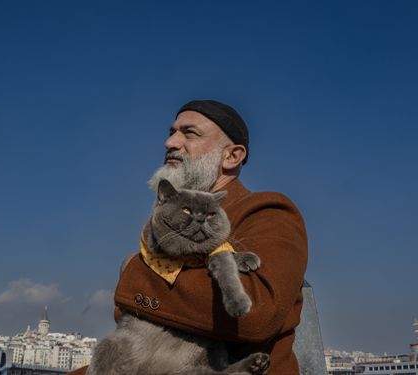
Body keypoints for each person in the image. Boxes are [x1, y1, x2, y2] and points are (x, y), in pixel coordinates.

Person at [69, 100, 308, 375]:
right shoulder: (167, 223)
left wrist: (135, 271)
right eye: (172, 132)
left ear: (232, 156)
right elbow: (135, 329)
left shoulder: (268, 210)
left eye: (189, 133)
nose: (170, 142)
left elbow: (256, 314)